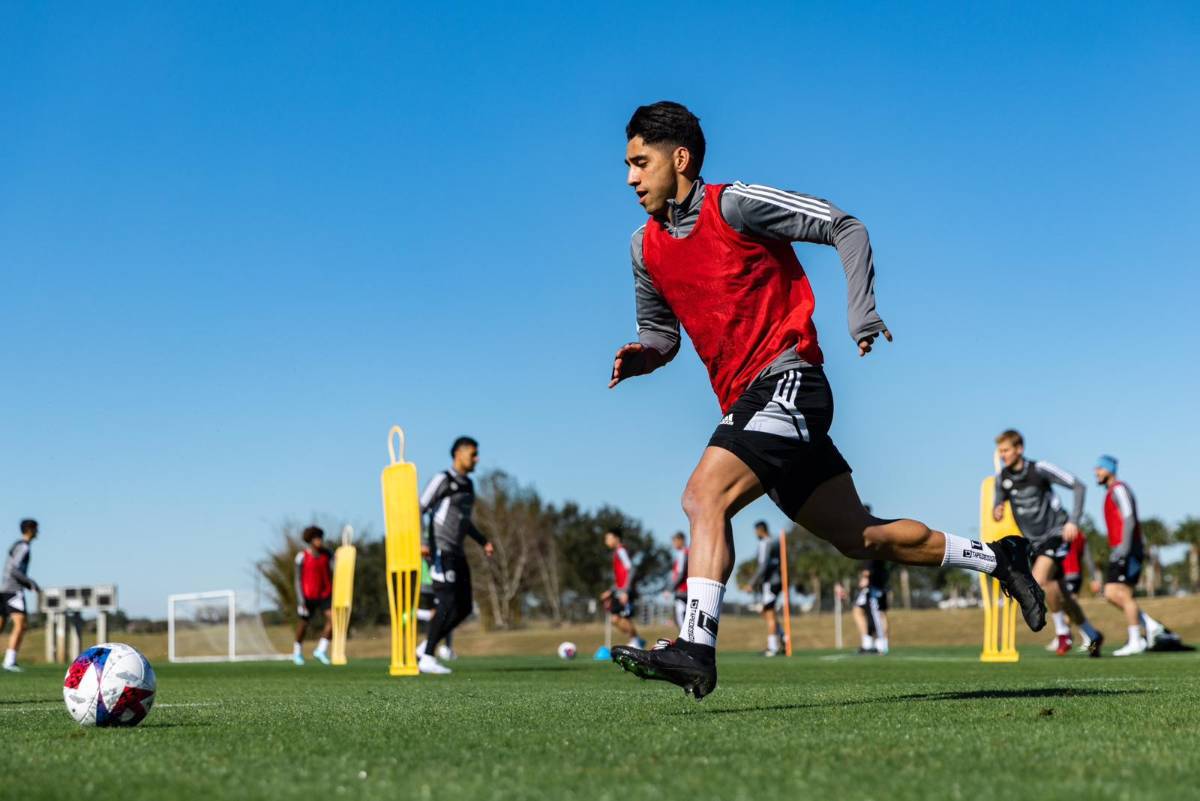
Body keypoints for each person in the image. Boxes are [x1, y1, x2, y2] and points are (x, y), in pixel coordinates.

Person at [608, 101, 1044, 699]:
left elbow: (845, 226)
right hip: (749, 403)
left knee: (703, 496)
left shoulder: (734, 205)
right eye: (628, 166)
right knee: (859, 537)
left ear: (679, 159)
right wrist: (645, 355)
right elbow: (662, 334)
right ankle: (999, 558)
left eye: (640, 163)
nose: (630, 178)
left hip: (789, 382)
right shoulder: (644, 248)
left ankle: (696, 646)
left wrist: (861, 311)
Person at [993, 429, 1103, 657]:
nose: (1002, 455)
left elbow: (1079, 486)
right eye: (1000, 451)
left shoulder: (1039, 469)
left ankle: (1063, 633)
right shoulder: (1002, 478)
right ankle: (1092, 635)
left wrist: (1074, 521)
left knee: (1039, 578)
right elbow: (999, 502)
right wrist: (998, 508)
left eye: (1006, 450)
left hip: (1055, 533)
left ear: (1019, 449)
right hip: (1032, 543)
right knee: (1058, 591)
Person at [416, 436, 494, 675]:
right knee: (447, 602)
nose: (477, 459)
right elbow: (418, 508)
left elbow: (463, 521)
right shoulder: (442, 479)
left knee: (464, 607)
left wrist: (482, 541)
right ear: (459, 453)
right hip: (440, 550)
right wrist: (422, 542)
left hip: (457, 552)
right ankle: (428, 657)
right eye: (473, 454)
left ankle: (424, 649)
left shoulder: (468, 485)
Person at [1094, 455, 1172, 656]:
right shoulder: (1111, 491)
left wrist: (1124, 548)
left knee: (1122, 593)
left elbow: (1129, 518)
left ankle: (1136, 640)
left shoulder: (1119, 488)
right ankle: (1151, 625)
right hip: (1122, 549)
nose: (1096, 472)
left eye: (1100, 468)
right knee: (1111, 593)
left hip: (1128, 549)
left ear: (1110, 470)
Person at [1, 520, 40, 673]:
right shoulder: (23, 547)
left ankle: (9, 661)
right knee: (21, 625)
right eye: (36, 529)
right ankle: (9, 662)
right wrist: (30, 583)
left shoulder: (17, 545)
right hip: (13, 590)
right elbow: (14, 570)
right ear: (30, 530)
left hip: (4, 588)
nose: (38, 532)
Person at [293, 526, 334, 666]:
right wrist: (300, 601)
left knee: (334, 619)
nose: (320, 541)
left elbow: (336, 566)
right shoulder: (301, 556)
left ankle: (321, 650)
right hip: (308, 597)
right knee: (304, 624)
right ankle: (297, 652)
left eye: (321, 538)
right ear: (310, 540)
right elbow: (297, 580)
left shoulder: (328, 554)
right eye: (317, 539)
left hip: (325, 594)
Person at [743, 521, 785, 656]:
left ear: (760, 530)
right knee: (765, 611)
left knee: (769, 612)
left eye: (756, 531)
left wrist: (751, 583)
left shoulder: (765, 543)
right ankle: (783, 636)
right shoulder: (774, 542)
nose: (755, 533)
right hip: (775, 582)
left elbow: (763, 566)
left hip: (771, 582)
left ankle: (773, 647)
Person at [601, 528, 646, 649]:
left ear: (616, 538)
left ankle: (635, 641)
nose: (606, 541)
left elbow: (631, 569)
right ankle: (637, 639)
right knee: (615, 619)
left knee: (625, 618)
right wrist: (611, 591)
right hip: (619, 591)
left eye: (608, 538)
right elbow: (620, 577)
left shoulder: (621, 550)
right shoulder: (617, 552)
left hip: (625, 591)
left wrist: (626, 591)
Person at [853, 559, 890, 655]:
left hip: (874, 585)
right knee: (858, 610)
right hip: (876, 583)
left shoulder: (873, 554)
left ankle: (881, 645)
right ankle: (868, 643)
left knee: (878, 615)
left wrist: (866, 576)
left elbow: (871, 562)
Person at [668, 531, 689, 630]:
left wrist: (670, 589)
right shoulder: (686, 553)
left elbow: (680, 574)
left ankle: (685, 639)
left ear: (681, 540)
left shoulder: (683, 553)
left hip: (683, 591)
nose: (673, 544)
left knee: (680, 618)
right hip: (685, 591)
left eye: (675, 541)